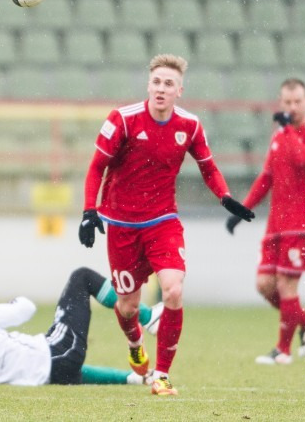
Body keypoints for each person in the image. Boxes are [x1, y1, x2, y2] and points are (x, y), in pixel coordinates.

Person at [78, 54, 254, 396]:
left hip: (163, 221)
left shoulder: (190, 125)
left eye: (168, 84)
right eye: (156, 82)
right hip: (122, 225)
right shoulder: (123, 119)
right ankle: (135, 344)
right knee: (128, 306)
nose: (161, 88)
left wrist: (225, 197)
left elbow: (208, 167)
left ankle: (161, 375)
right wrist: (89, 211)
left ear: (179, 91)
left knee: (173, 290)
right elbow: (97, 166)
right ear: (148, 85)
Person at [0, 267, 164, 387]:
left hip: (49, 374)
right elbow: (26, 309)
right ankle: (149, 316)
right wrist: (12, 301)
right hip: (54, 357)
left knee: (61, 363)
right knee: (82, 278)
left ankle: (135, 378)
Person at [226, 78, 305, 365]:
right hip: (277, 222)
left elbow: (304, 160)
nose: (292, 107)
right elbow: (267, 176)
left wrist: (287, 130)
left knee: (285, 285)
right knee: (264, 285)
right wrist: (242, 209)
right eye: (287, 102)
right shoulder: (278, 136)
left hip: (302, 222)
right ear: (280, 103)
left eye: (297, 101)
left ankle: (283, 350)